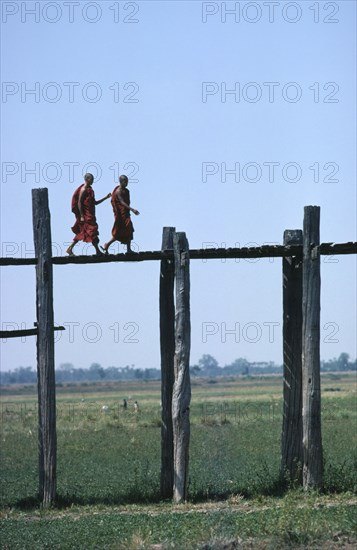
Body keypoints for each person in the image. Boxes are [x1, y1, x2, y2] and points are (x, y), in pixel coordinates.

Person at [66, 173, 111, 256]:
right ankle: (97, 251)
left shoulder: (90, 190)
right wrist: (82, 216)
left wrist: (105, 197)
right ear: (87, 179)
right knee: (91, 232)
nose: (93, 181)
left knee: (86, 232)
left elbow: (95, 203)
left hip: (91, 215)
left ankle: (70, 248)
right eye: (91, 179)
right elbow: (79, 203)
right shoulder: (83, 189)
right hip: (85, 216)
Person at [102, 175, 140, 254]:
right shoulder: (118, 191)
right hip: (121, 215)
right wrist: (132, 209)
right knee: (119, 232)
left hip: (126, 214)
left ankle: (128, 250)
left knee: (129, 229)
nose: (127, 183)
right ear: (121, 182)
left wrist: (129, 210)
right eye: (125, 182)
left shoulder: (127, 191)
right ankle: (107, 244)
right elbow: (122, 202)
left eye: (127, 181)